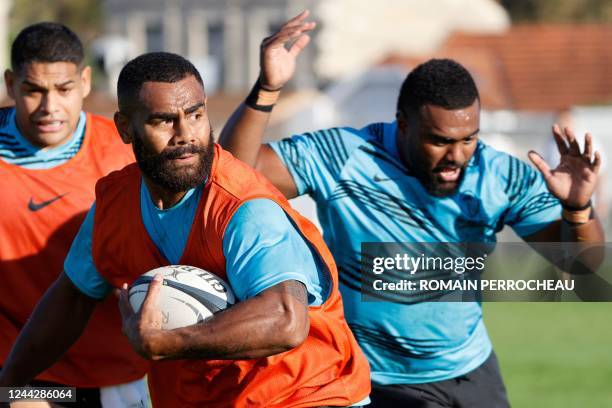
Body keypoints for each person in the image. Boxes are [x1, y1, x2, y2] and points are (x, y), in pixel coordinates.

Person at [219, 11, 605, 407]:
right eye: (439, 141)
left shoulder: (498, 174)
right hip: (378, 379)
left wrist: (578, 207)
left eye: (468, 138)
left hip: (472, 369)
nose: (457, 156)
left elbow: (580, 263)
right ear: (402, 124)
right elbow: (233, 173)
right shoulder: (346, 156)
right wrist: (266, 89)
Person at [0, 51, 371, 408]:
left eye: (195, 115)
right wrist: (9, 383)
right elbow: (73, 297)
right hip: (197, 397)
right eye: (163, 121)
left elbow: (286, 320)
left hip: (306, 393)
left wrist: (167, 342)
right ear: (126, 128)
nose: (186, 135)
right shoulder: (116, 200)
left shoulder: (243, 207)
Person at [0, 23, 148, 407]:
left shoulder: (126, 153)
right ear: (11, 83)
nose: (50, 108)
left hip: (125, 370)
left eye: (63, 90)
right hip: (28, 373)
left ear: (84, 82)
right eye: (34, 91)